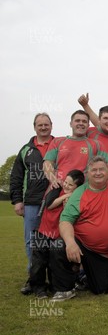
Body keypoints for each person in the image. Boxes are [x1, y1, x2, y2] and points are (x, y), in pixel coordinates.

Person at [59, 158, 108, 296]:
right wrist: (70, 243)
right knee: (58, 246)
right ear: (87, 173)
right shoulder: (79, 192)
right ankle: (64, 289)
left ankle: (83, 276)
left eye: (101, 169)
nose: (98, 173)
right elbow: (65, 220)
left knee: (102, 289)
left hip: (104, 253)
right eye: (94, 170)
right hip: (82, 245)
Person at [10, 112, 54, 295]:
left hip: (55, 201)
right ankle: (34, 278)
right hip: (32, 202)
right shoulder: (25, 149)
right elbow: (16, 177)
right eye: (40, 125)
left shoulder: (59, 144)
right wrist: (17, 201)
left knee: (54, 242)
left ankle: (56, 279)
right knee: (32, 242)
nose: (43, 127)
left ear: (51, 125)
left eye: (46, 124)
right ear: (34, 127)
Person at [30, 169, 84, 299]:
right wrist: (66, 196)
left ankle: (55, 286)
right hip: (43, 230)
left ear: (77, 187)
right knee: (39, 262)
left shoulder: (79, 196)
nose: (66, 185)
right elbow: (49, 205)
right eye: (66, 182)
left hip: (59, 233)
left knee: (54, 261)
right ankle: (39, 288)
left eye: (70, 185)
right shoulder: (56, 187)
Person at [43, 110, 108, 188]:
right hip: (58, 188)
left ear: (88, 125)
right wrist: (53, 179)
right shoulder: (57, 141)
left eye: (84, 121)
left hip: (83, 190)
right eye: (77, 121)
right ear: (71, 124)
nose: (81, 123)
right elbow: (47, 163)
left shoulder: (97, 144)